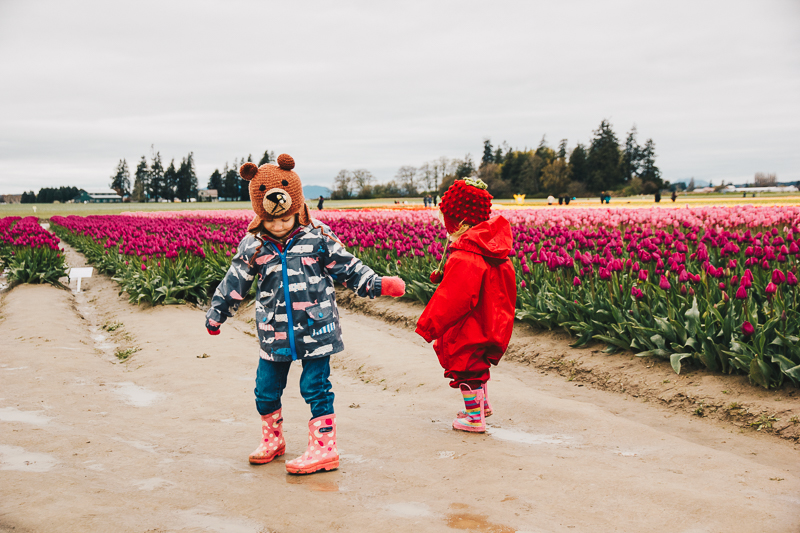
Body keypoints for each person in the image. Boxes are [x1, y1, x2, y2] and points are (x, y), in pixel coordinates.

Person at [205, 154, 406, 474]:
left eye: (287, 219)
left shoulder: (317, 235)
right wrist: (218, 311)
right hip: (274, 331)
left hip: (317, 328)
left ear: (298, 207)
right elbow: (235, 281)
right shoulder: (253, 244)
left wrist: (376, 284)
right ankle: (273, 440)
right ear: (260, 214)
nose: (281, 225)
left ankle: (324, 448)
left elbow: (348, 267)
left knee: (316, 387)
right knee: (265, 389)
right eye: (273, 221)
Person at [415, 178, 517, 433]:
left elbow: (454, 297)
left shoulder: (466, 257)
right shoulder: (495, 251)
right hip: (490, 321)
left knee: (466, 367)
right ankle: (481, 406)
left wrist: (429, 326)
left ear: (460, 222)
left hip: (468, 324)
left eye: (446, 220)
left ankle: (473, 418)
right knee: (477, 364)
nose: (444, 226)